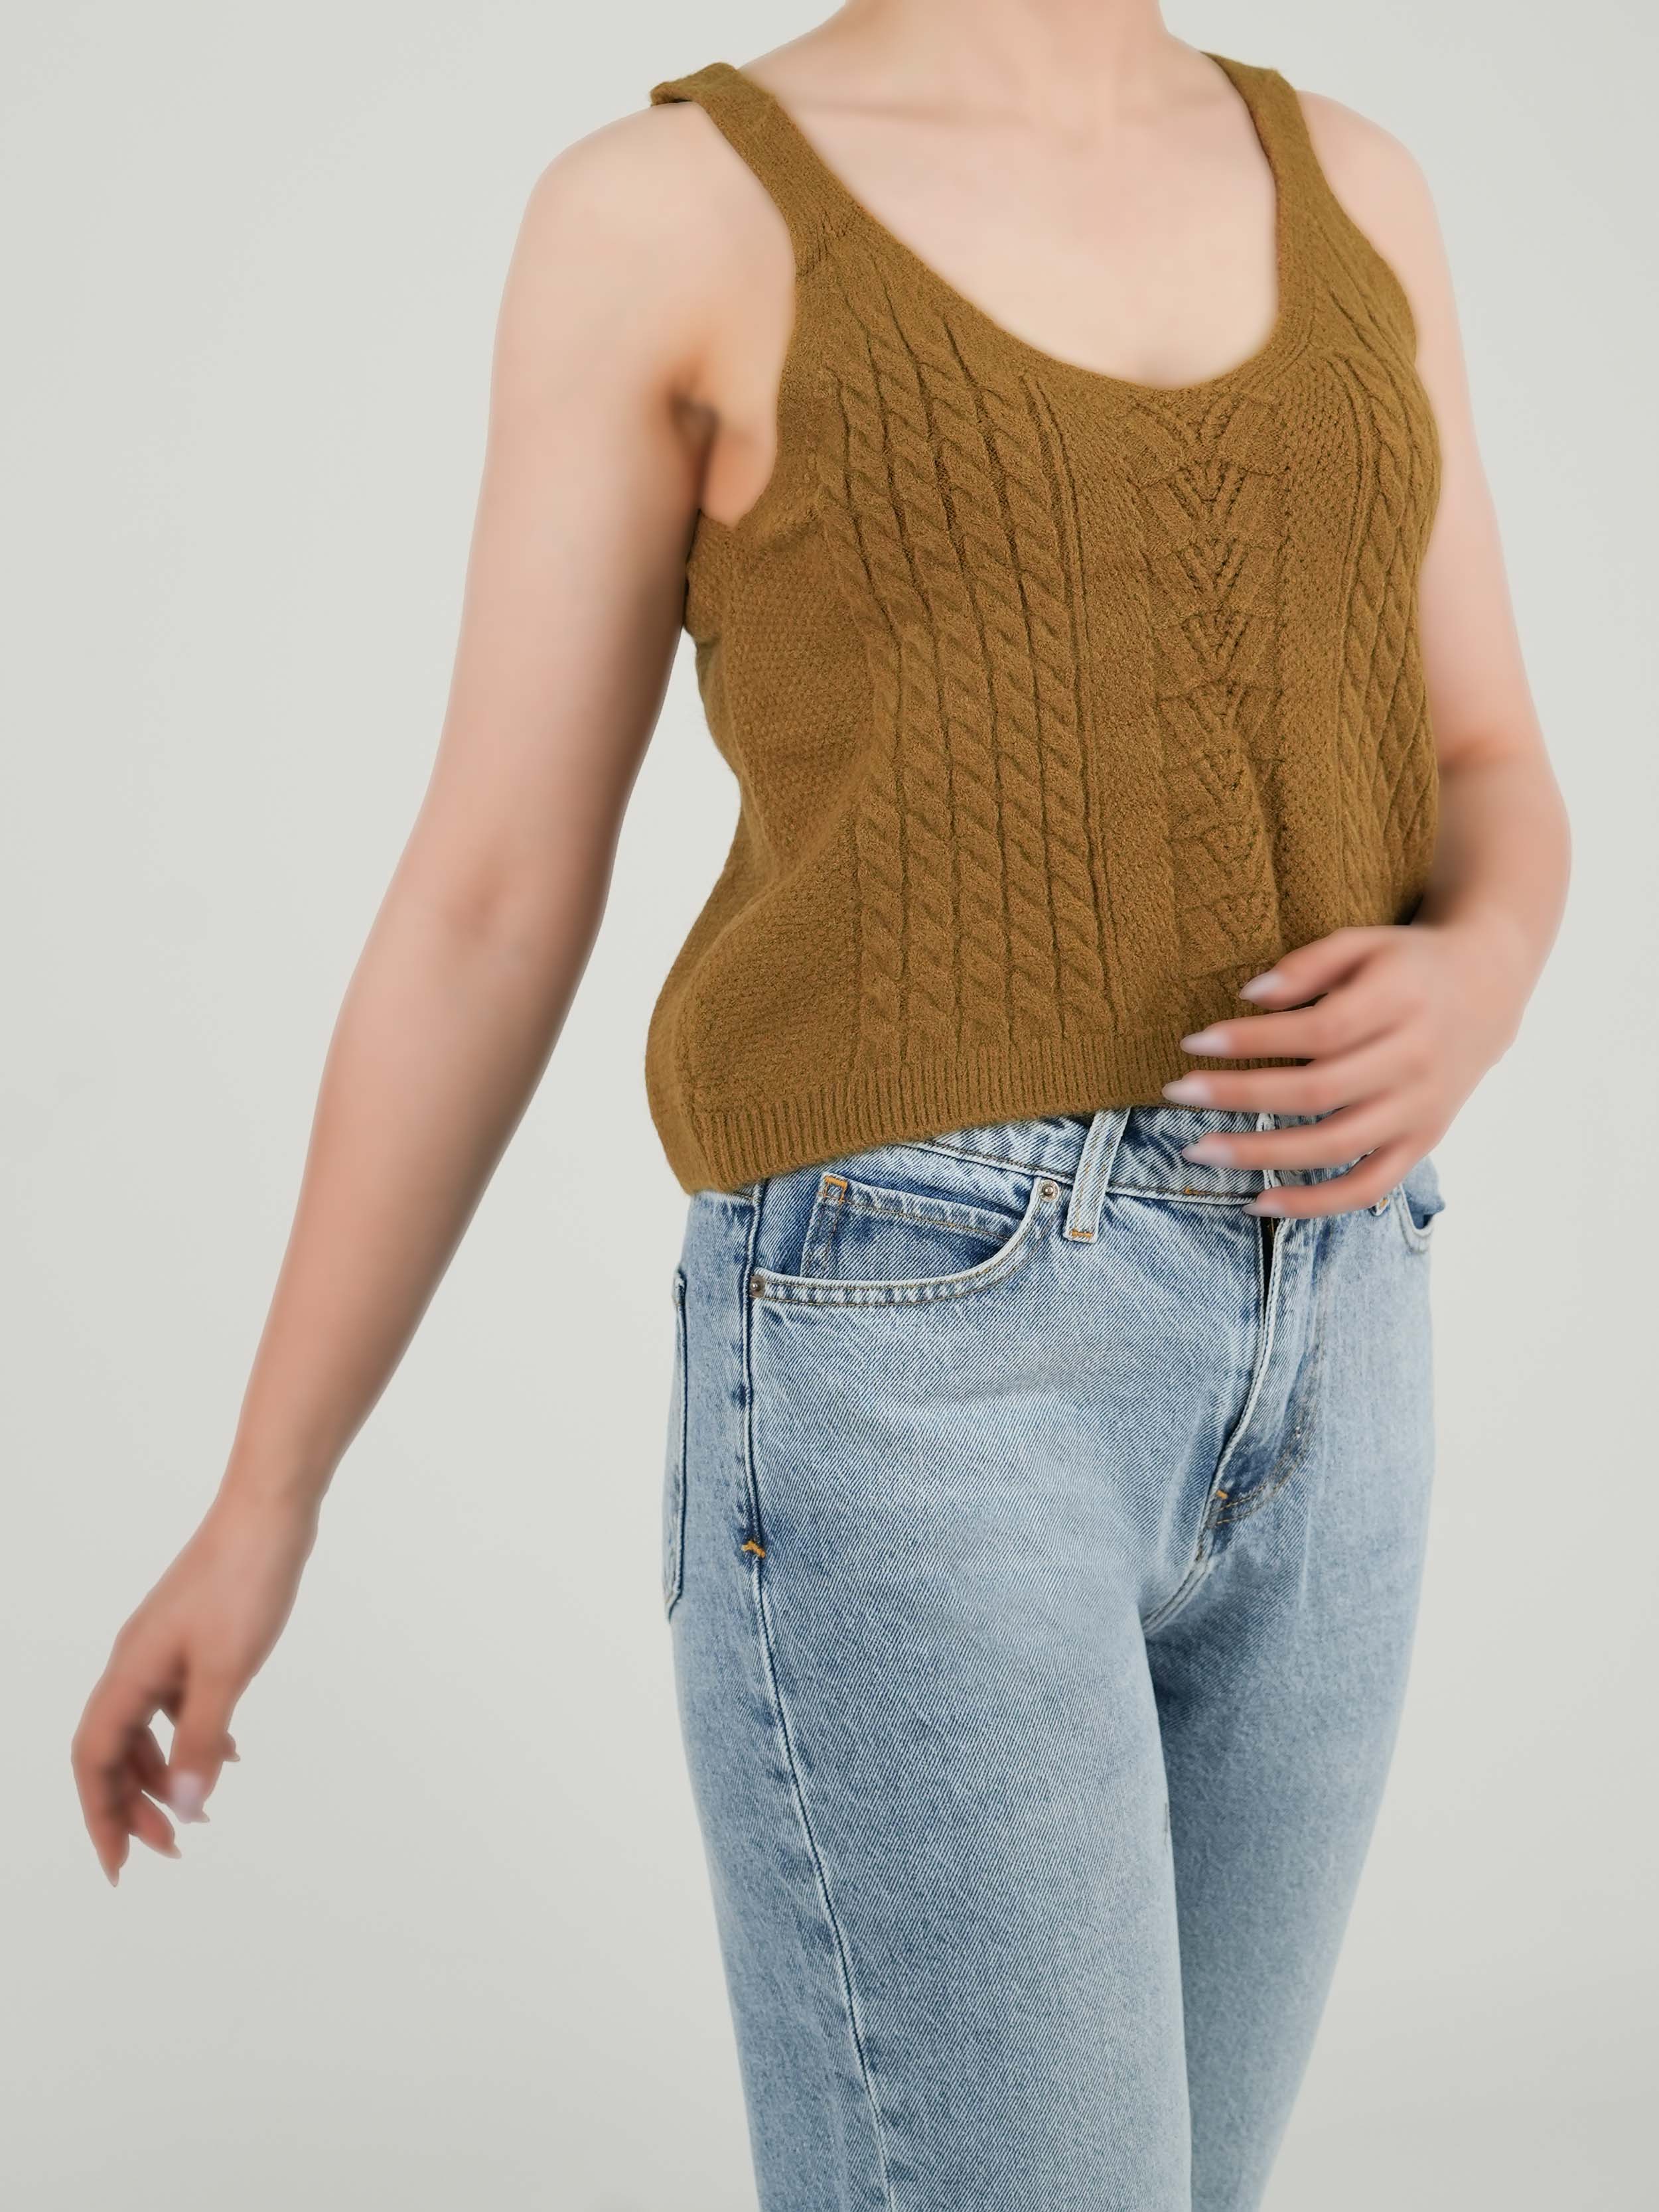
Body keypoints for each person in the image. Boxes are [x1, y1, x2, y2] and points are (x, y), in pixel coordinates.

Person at [72, 6, 1569, 2207]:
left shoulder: (1355, 185)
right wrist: (264, 1496)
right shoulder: (669, 215)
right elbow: (489, 899)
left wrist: (1484, 968)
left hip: (1346, 1327)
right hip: (923, 1366)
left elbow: (1487, 759)